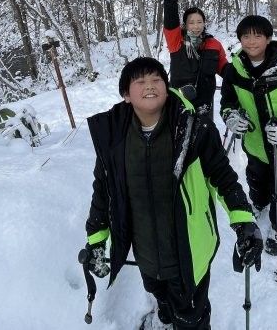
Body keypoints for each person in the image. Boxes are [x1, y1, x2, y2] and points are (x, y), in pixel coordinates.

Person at [82, 57, 263, 329]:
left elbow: (222, 177)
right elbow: (104, 190)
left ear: (167, 88)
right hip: (145, 251)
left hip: (190, 251)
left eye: (157, 80)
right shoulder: (115, 137)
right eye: (140, 82)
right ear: (126, 95)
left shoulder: (194, 128)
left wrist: (244, 221)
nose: (150, 86)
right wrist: (96, 240)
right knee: (160, 294)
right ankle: (166, 315)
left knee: (191, 313)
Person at [220, 15, 277, 256]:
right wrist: (231, 116)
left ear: (269, 38)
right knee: (256, 180)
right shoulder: (234, 72)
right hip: (255, 146)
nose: (251, 41)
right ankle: (259, 203)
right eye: (246, 36)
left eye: (258, 35)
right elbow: (227, 102)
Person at [155, 0, 228, 119]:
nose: (196, 26)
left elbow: (225, 69)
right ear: (185, 25)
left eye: (199, 22)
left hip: (205, 105)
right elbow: (170, 20)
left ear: (204, 23)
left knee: (204, 140)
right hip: (179, 103)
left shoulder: (214, 44)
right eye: (191, 22)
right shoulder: (177, 41)